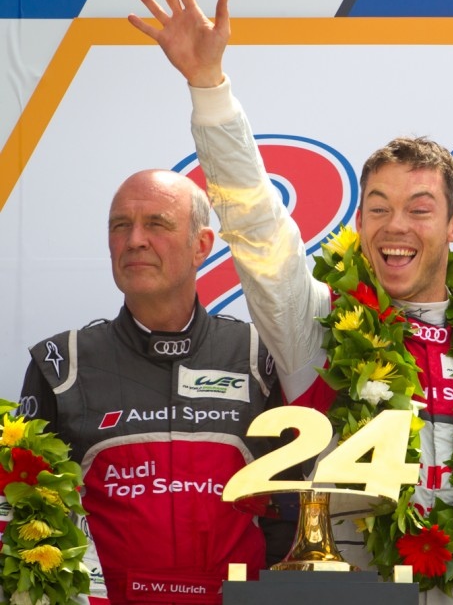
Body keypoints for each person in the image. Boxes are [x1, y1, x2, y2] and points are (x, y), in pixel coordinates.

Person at [128, 0, 453, 604]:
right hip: (349, 594)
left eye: (418, 208)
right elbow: (257, 225)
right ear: (359, 222)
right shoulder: (320, 325)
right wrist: (210, 88)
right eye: (377, 207)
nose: (394, 226)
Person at [19, 170, 286, 604]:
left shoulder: (259, 356)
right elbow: (23, 516)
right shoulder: (61, 363)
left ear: (201, 245)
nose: (135, 240)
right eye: (120, 225)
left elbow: (290, 511)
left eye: (157, 224)